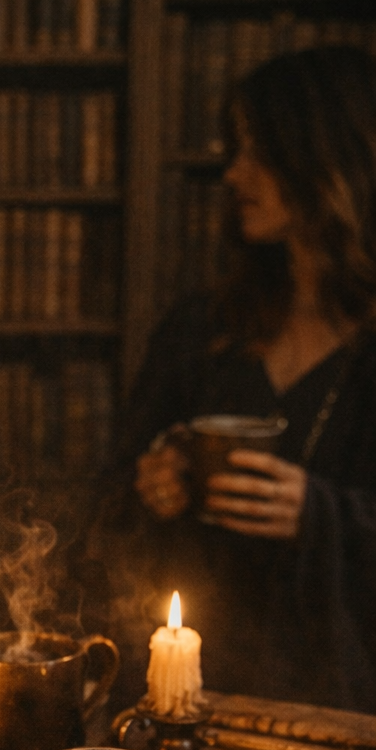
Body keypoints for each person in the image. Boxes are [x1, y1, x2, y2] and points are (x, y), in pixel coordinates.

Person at [98, 46, 376, 713]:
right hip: (193, 698)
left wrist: (322, 516)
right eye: (235, 150)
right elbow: (108, 502)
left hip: (338, 717)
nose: (233, 174)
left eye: (259, 153)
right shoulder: (203, 328)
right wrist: (153, 483)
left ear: (330, 161)